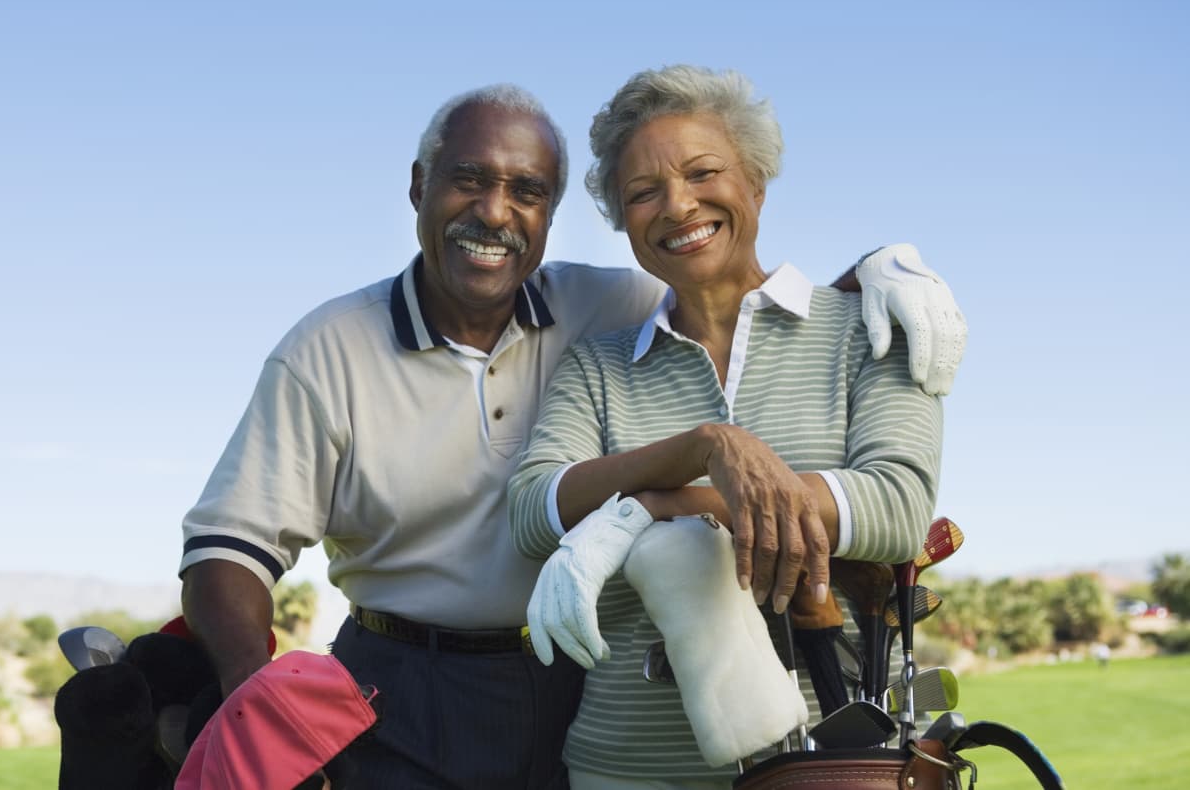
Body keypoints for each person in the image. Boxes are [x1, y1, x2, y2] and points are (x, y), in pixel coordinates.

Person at [179, 83, 964, 788]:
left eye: (526, 190)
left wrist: (882, 263)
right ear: (419, 187)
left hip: (566, 677)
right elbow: (231, 546)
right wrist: (257, 709)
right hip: (403, 684)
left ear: (550, 216)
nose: (494, 212)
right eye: (468, 179)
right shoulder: (336, 346)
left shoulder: (614, 304)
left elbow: (740, 280)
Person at [509, 65, 946, 788]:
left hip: (838, 767)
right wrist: (706, 449)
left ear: (757, 185)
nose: (677, 206)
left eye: (703, 172)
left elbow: (896, 506)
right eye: (642, 193)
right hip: (629, 766)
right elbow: (533, 511)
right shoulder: (597, 367)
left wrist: (651, 507)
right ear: (624, 222)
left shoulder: (867, 327)